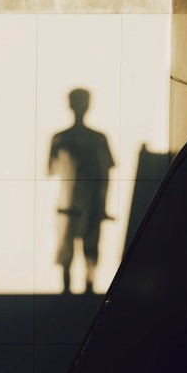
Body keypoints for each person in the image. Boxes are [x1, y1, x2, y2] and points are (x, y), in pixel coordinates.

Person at [48, 88, 114, 294]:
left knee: (81, 250)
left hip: (71, 202)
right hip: (80, 201)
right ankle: (85, 290)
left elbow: (50, 168)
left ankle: (73, 291)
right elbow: (106, 174)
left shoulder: (61, 138)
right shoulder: (95, 138)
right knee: (83, 249)